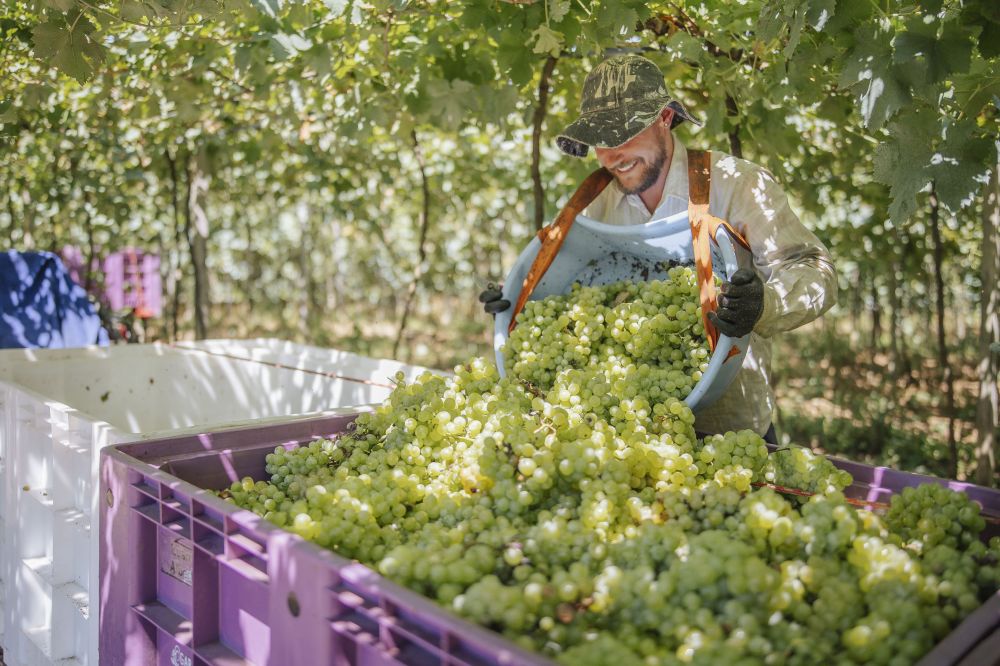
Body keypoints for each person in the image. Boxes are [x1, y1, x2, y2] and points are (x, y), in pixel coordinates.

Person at [481, 54, 837, 442]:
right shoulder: (592, 202)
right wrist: (517, 299)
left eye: (623, 135)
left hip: (729, 434)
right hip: (629, 433)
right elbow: (565, 292)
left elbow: (813, 269)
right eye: (600, 141)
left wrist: (764, 305)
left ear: (665, 119)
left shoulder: (737, 184)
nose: (611, 156)